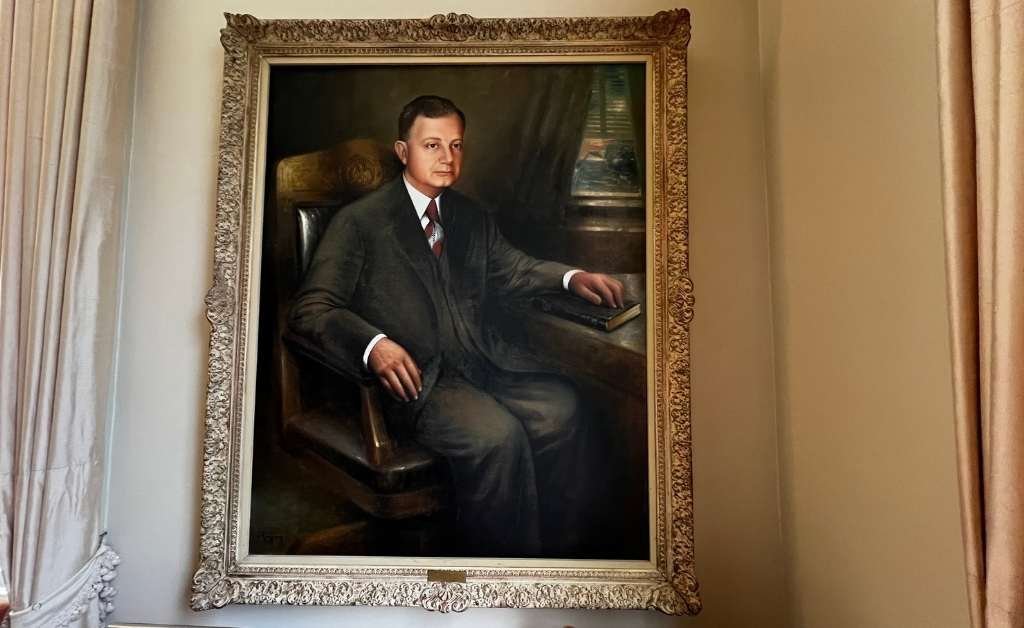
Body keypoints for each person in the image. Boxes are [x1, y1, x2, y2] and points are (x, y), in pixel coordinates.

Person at [288, 95, 625, 557]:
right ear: (403, 151)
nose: (447, 157)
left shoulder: (471, 216)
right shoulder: (359, 223)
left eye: (456, 145)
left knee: (562, 410)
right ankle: (504, 574)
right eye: (432, 145)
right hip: (416, 382)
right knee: (497, 437)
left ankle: (561, 564)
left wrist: (572, 277)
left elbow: (516, 269)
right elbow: (312, 309)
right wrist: (374, 345)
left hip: (483, 364)